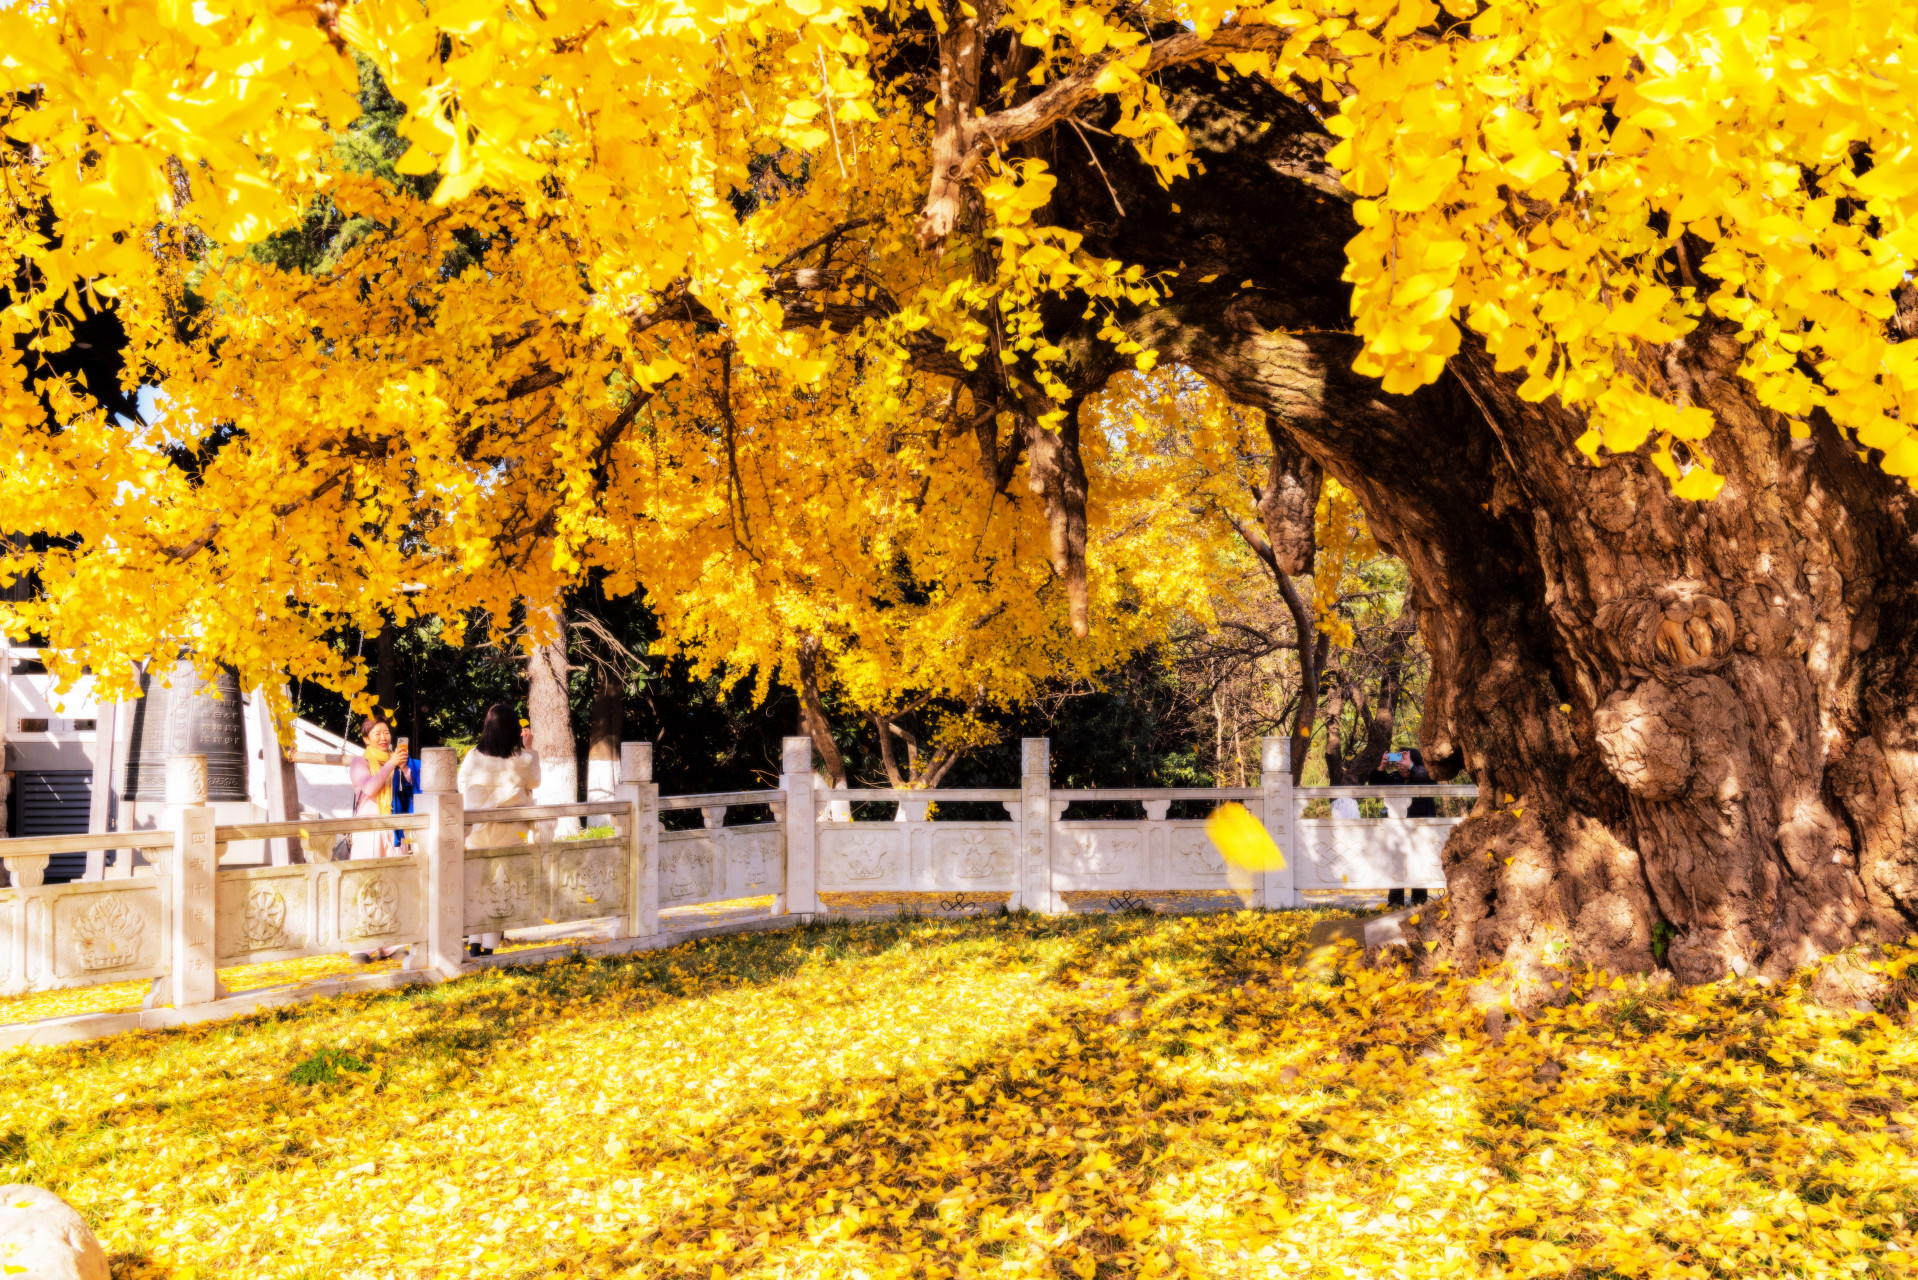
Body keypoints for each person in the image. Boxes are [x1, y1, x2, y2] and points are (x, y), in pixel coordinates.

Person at [458, 703, 541, 956]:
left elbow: (461, 786)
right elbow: (535, 781)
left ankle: (473, 943)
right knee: (500, 887)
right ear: (514, 730)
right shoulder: (522, 760)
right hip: (510, 833)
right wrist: (530, 749)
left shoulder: (473, 756)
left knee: (477, 886)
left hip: (478, 832)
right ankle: (489, 948)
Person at [347, 715, 411, 962]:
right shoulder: (359, 762)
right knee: (367, 884)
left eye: (386, 733)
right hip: (369, 830)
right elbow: (370, 788)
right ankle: (362, 946)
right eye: (377, 734)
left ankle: (392, 943)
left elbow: (414, 787)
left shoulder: (397, 760)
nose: (384, 739)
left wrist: (404, 768)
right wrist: (390, 765)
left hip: (394, 828)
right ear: (366, 739)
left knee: (395, 883)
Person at [1368, 749, 1434, 907]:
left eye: (1405, 760)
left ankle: (1419, 902)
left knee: (1419, 864)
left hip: (1420, 830)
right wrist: (1381, 768)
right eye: (1399, 760)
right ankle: (1395, 901)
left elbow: (1429, 780)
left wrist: (1411, 767)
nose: (1401, 765)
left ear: (1415, 762)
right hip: (1396, 831)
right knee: (1396, 863)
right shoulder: (1394, 777)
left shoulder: (1423, 774)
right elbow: (1375, 785)